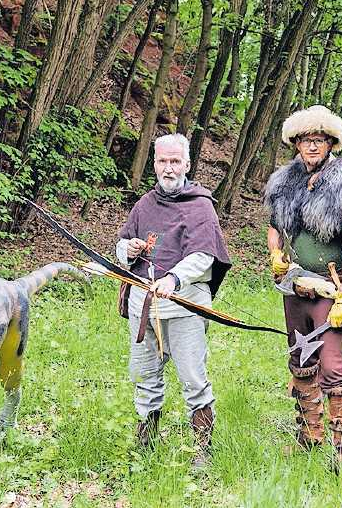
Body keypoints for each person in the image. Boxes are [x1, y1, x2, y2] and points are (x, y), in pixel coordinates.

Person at [263, 105, 342, 470]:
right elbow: (274, 226)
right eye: (305, 140)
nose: (311, 147)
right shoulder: (285, 180)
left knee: (331, 367)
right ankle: (308, 437)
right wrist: (275, 254)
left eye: (318, 140)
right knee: (300, 360)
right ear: (296, 144)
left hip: (332, 290)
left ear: (331, 143)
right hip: (295, 286)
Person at [115, 133, 232, 469]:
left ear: (187, 164)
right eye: (163, 161)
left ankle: (202, 450)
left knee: (193, 376)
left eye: (175, 161)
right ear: (154, 164)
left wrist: (174, 278)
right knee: (144, 374)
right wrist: (129, 249)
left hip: (183, 306)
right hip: (143, 305)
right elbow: (121, 245)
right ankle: (146, 440)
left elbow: (204, 256)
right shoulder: (144, 205)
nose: (169, 168)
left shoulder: (200, 206)